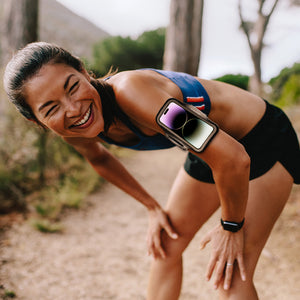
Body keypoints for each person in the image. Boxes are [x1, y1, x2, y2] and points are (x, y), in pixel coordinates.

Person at [3, 42, 300, 300]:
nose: (73, 108)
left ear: (84, 71)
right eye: (51, 108)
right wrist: (151, 207)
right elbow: (100, 159)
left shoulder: (134, 93)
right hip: (210, 149)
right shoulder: (71, 129)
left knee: (230, 274)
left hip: (261, 140)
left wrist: (231, 225)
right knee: (166, 247)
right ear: (37, 121)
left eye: (73, 86)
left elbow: (233, 157)